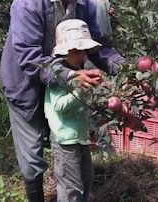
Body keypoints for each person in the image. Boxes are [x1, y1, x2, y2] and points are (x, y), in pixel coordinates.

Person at [0, 0, 124, 201]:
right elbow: (30, 58)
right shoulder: (28, 2)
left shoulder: (85, 3)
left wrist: (125, 68)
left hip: (64, 82)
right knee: (33, 155)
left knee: (65, 139)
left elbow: (96, 46)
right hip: (25, 84)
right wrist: (71, 77)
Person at [45, 19, 101, 202]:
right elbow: (59, 106)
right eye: (75, 51)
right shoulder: (59, 76)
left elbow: (85, 105)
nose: (81, 55)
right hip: (64, 139)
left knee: (86, 179)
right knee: (71, 186)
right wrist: (79, 89)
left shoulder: (81, 72)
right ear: (63, 53)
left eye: (83, 51)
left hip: (80, 137)